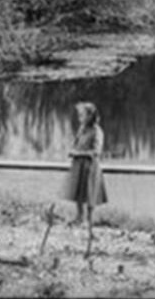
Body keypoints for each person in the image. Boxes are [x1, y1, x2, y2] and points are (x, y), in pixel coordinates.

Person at [61, 101, 108, 255]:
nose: (80, 118)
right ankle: (79, 216)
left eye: (82, 115)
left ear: (90, 116)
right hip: (79, 164)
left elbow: (96, 152)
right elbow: (75, 144)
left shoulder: (97, 131)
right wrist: (72, 151)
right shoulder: (82, 129)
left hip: (90, 166)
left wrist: (78, 154)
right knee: (78, 191)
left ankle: (89, 221)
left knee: (89, 192)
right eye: (79, 115)